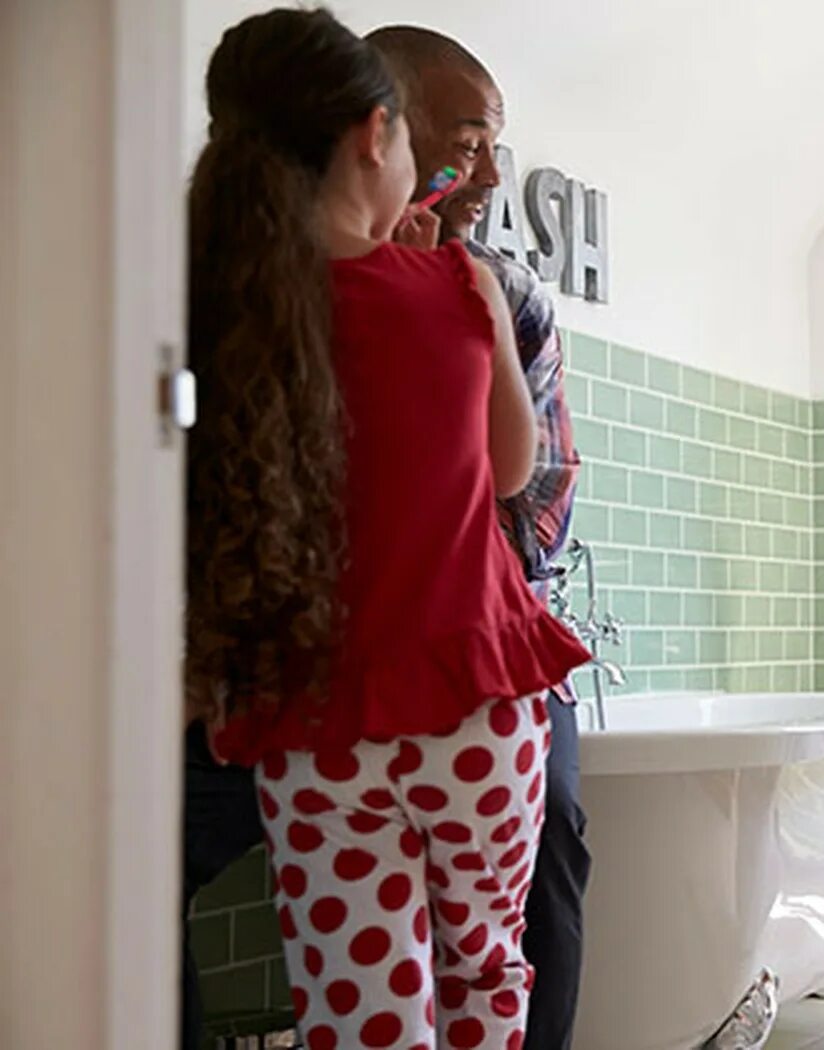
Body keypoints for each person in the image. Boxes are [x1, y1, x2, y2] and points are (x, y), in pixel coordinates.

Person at [185, 9, 590, 1049]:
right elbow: (513, 469)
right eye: (445, 145)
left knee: (357, 1004)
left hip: (314, 722)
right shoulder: (462, 286)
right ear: (379, 135)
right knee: (488, 972)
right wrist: (470, 307)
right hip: (475, 708)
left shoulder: (219, 306)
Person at [364, 27, 590, 1050]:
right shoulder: (297, 283)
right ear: (387, 131)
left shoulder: (506, 294)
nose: (494, 170)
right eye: (471, 139)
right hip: (339, 650)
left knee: (553, 842)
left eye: (498, 143)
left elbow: (536, 490)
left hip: (486, 641)